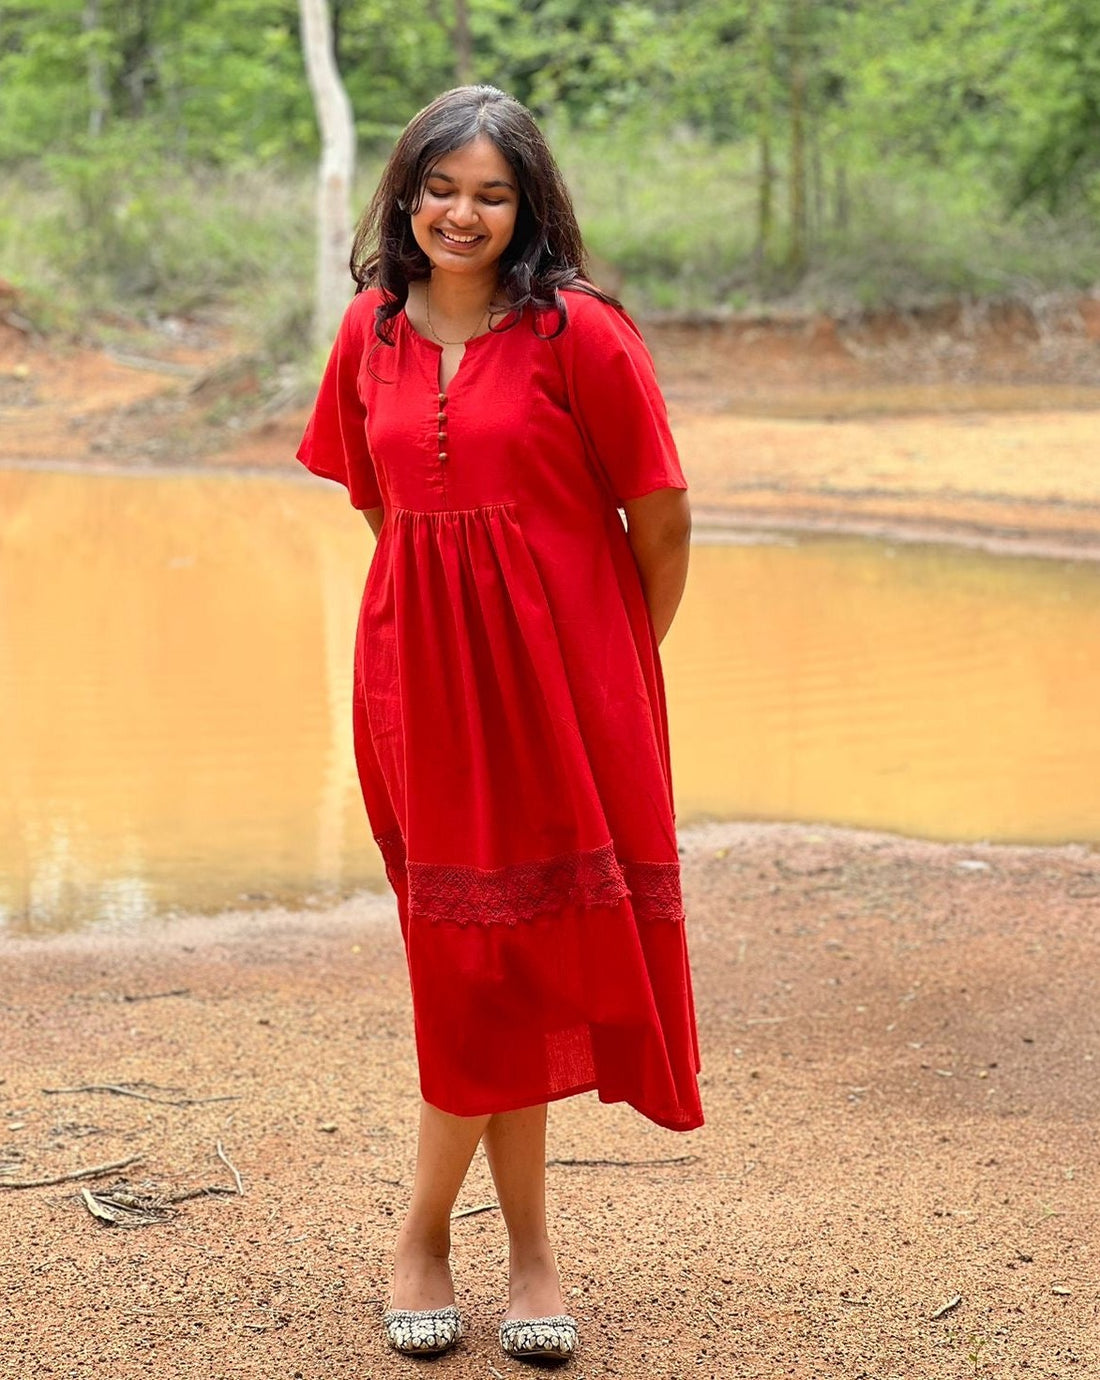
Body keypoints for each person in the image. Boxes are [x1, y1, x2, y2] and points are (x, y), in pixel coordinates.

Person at [296, 83, 703, 1365]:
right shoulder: (366, 333)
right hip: (417, 693)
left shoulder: (579, 332)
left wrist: (604, 665)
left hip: (568, 698)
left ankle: (480, 1245)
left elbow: (663, 519)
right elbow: (383, 510)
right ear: (404, 193)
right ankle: (462, 1240)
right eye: (439, 186)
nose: (459, 213)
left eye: (489, 193)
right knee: (467, 964)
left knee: (522, 963)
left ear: (526, 208)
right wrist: (443, 634)